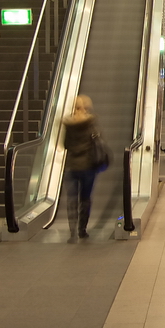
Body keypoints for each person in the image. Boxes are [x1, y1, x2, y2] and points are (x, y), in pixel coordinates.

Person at [62, 95, 101, 242]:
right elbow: (97, 141)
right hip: (88, 167)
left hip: (72, 166)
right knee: (85, 199)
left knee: (72, 198)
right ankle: (82, 230)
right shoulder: (91, 123)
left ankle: (72, 230)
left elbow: (65, 145)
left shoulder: (69, 124)